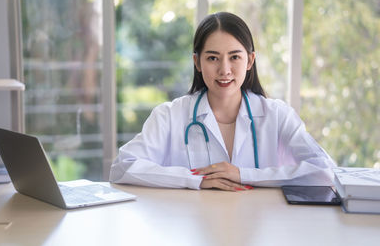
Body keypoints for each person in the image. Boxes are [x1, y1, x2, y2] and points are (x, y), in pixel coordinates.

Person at [109, 12, 335, 191]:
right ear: (197, 62)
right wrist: (195, 180)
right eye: (212, 58)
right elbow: (122, 167)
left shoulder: (277, 115)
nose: (224, 70)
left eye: (235, 57)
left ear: (250, 61)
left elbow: (325, 171)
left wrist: (242, 174)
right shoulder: (170, 115)